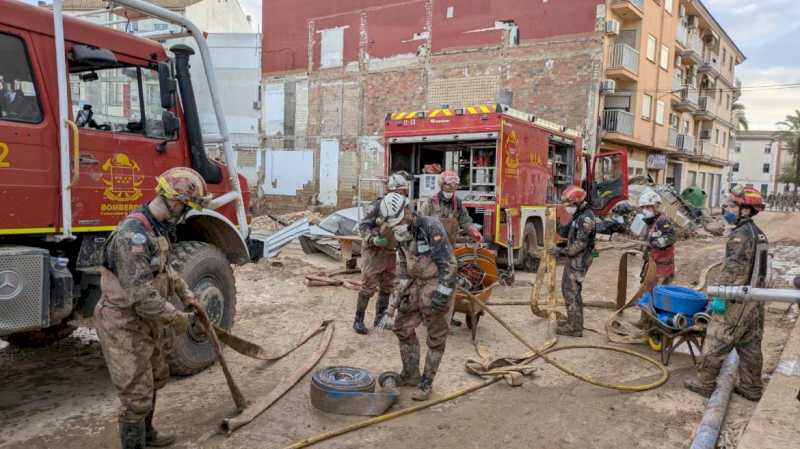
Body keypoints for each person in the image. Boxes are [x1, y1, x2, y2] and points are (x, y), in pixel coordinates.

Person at [94, 167, 211, 449]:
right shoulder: (131, 236)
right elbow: (141, 295)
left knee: (156, 377)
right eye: (186, 208)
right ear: (174, 201)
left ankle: (148, 436)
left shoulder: (156, 228)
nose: (185, 214)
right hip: (123, 322)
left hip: (146, 321)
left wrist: (187, 293)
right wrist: (178, 319)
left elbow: (165, 269)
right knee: (136, 394)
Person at [685, 186, 769, 401]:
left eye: (733, 205)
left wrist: (718, 297)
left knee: (717, 338)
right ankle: (751, 388)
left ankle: (704, 383)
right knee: (749, 344)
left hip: (738, 299)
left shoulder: (740, 236)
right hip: (755, 299)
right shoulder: (758, 234)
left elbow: (733, 272)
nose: (727, 208)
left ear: (746, 210)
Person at [380, 192, 457, 401]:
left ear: (407, 210)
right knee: (402, 327)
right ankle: (411, 374)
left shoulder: (430, 226)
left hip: (437, 283)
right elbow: (403, 270)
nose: (397, 226)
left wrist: (443, 293)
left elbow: (449, 264)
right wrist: (393, 306)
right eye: (393, 224)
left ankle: (426, 383)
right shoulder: (400, 234)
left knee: (436, 337)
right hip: (415, 284)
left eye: (399, 221)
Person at [352, 171, 410, 335]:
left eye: (403, 191)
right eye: (399, 191)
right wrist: (373, 239)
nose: (402, 194)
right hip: (374, 252)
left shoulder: (405, 207)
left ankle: (379, 319)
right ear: (391, 190)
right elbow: (363, 226)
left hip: (391, 252)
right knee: (368, 287)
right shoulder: (378, 205)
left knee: (387, 286)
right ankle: (358, 320)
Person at [549, 186, 596, 337]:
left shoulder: (586, 219)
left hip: (579, 261)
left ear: (577, 202)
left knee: (572, 292)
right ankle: (573, 322)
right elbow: (564, 232)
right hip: (574, 259)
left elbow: (579, 245)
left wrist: (559, 251)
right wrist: (553, 221)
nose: (567, 208)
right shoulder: (578, 216)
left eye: (569, 205)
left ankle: (574, 328)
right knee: (569, 291)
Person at [418, 171, 483, 244]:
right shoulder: (430, 202)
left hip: (450, 242)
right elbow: (421, 222)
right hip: (433, 242)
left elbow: (465, 221)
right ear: (442, 185)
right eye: (449, 185)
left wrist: (473, 231)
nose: (452, 188)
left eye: (455, 186)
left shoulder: (458, 203)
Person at [638, 189, 677, 285]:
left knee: (660, 289)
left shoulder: (663, 221)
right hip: (652, 260)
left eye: (647, 207)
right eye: (643, 207)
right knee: (646, 284)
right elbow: (649, 239)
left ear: (655, 206)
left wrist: (657, 243)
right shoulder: (650, 222)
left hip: (663, 263)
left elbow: (671, 236)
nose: (644, 210)